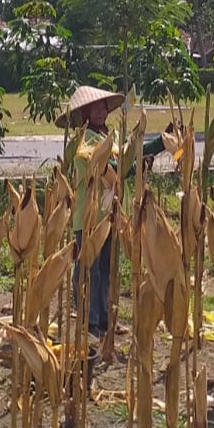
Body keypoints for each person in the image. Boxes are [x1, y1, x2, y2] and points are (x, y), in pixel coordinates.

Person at [58, 85, 165, 338]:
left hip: (109, 216)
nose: (100, 111)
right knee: (89, 269)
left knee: (106, 268)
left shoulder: (108, 137)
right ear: (84, 112)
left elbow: (127, 158)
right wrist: (137, 165)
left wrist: (161, 142)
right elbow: (115, 168)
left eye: (103, 106)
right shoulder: (83, 142)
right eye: (94, 107)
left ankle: (105, 318)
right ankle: (90, 321)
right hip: (89, 217)